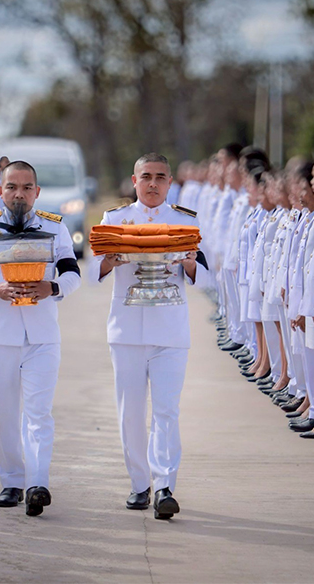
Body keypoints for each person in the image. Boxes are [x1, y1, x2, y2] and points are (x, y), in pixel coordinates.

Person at [0, 160, 81, 517]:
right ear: (1, 190)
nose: (19, 194)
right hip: (0, 334)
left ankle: (38, 483)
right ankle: (12, 481)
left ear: (37, 192)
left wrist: (52, 287)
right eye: (12, 187)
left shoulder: (54, 228)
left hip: (43, 334)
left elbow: (71, 272)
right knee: (6, 412)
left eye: (27, 187)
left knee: (39, 412)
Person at [97, 152, 208, 520]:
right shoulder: (116, 219)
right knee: (130, 413)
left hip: (169, 329)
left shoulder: (182, 220)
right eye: (146, 176)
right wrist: (110, 260)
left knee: (166, 411)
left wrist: (190, 261)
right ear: (134, 180)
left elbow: (205, 275)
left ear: (170, 182)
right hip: (127, 328)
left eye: (160, 177)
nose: (153, 183)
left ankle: (164, 486)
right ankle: (139, 484)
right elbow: (93, 268)